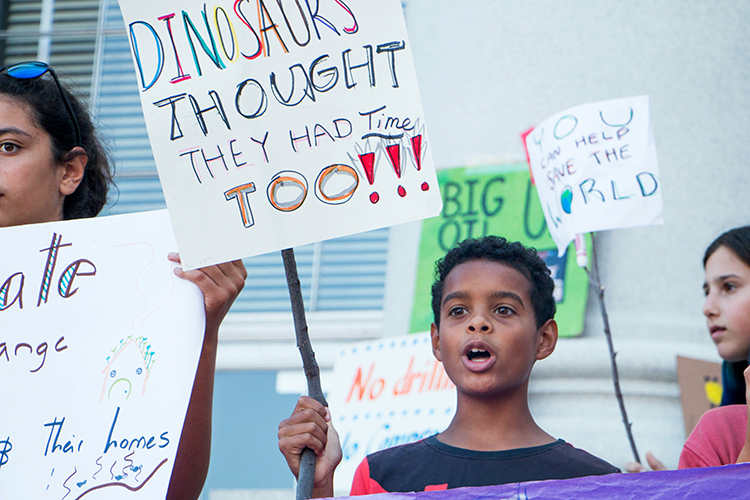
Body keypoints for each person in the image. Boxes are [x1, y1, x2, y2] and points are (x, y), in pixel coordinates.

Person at [0, 61, 247, 499]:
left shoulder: (136, 291)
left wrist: (201, 332)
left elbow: (171, 489)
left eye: (8, 147)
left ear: (70, 171)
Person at [278, 236, 619, 496]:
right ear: (437, 341)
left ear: (544, 338)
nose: (478, 323)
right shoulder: (382, 477)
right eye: (458, 311)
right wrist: (319, 487)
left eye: (503, 310)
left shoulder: (598, 483)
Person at [626, 226, 750, 472]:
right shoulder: (734, 380)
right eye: (707, 292)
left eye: (729, 287)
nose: (707, 307)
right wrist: (683, 489)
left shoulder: (719, 423)